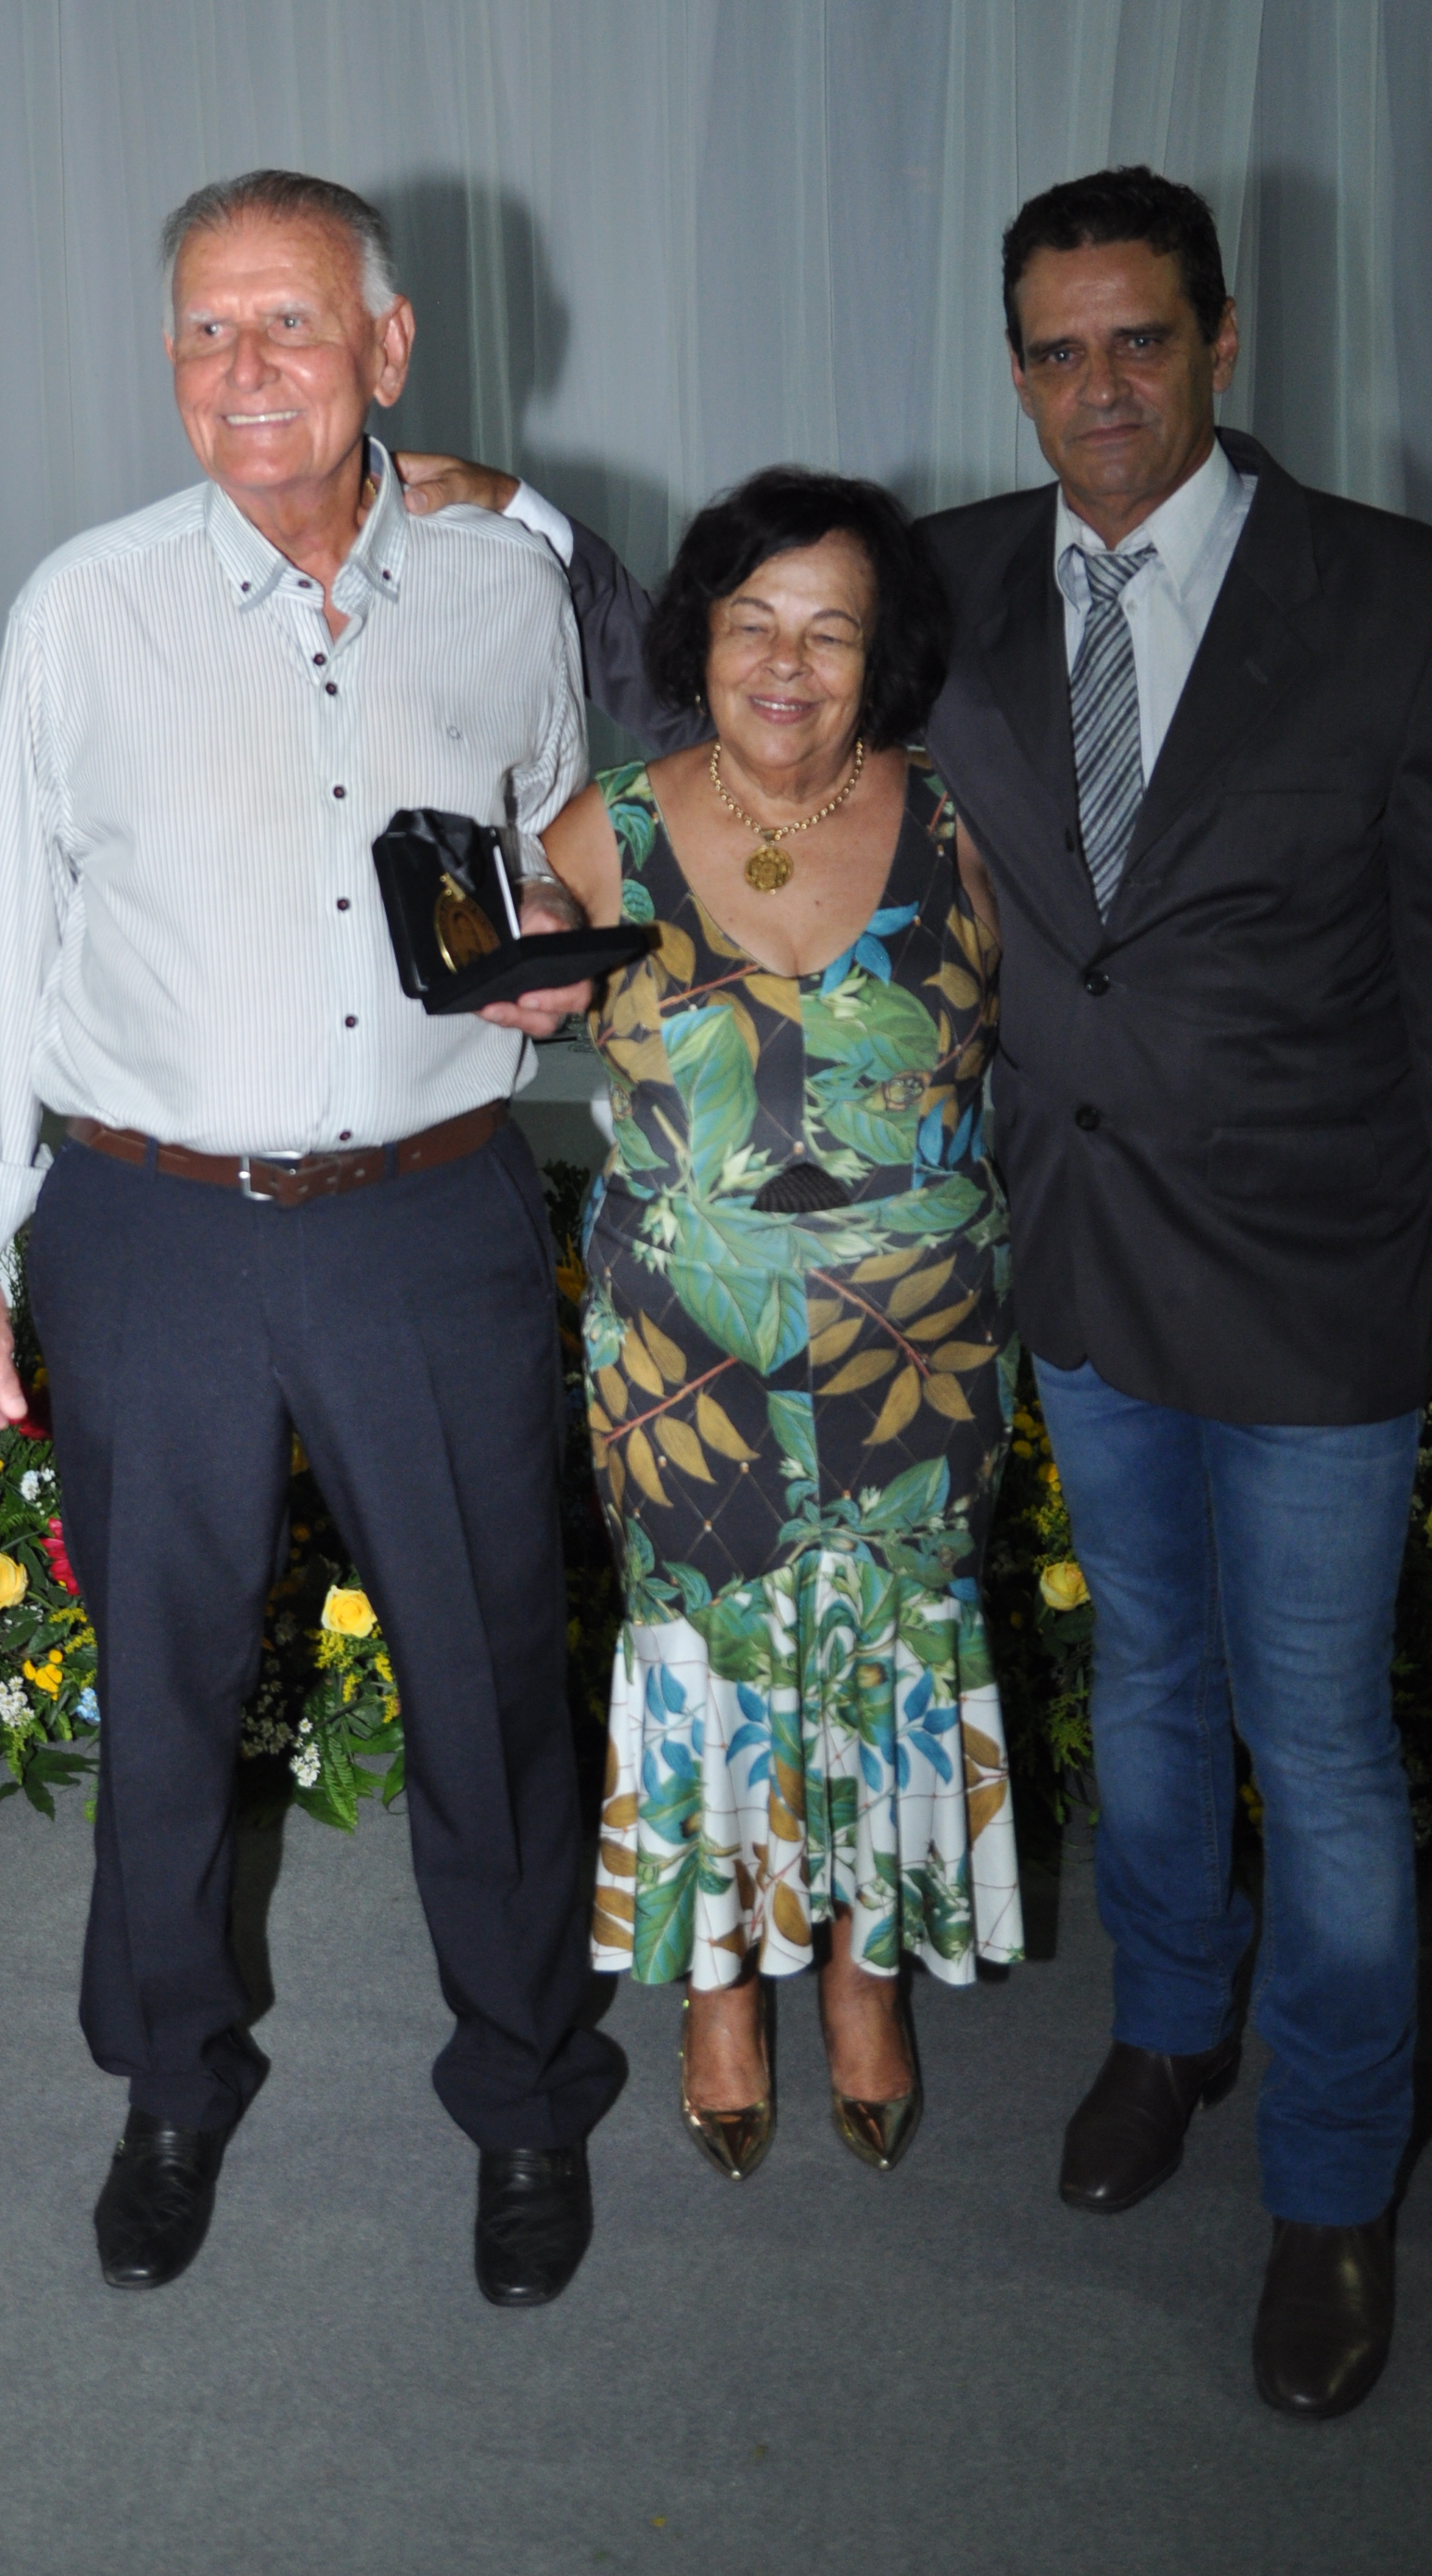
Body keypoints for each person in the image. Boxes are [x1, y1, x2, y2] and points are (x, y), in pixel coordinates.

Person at [397, 164, 1432, 2414]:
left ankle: (1333, 2189)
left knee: (1323, 1748)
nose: (1100, 386)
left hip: (1309, 1260)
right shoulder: (954, 577)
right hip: (1068, 1273)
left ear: (1222, 340)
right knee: (1149, 1688)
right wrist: (510, 517)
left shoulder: (1399, 598)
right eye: (1057, 350)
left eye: (1140, 339)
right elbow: (727, 651)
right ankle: (1165, 2041)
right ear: (1018, 371)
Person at [0, 168, 620, 2307]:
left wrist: (551, 953)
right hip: (154, 1229)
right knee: (166, 1693)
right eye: (205, 332)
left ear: (388, 350)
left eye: (291, 324)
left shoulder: (507, 591)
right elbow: (4, 937)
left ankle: (525, 2097)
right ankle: (169, 2086)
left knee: (492, 1679)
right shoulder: (84, 610)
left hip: (430, 1220)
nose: (244, 371)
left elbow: (563, 840)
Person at [531, 467, 1023, 2182]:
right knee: (708, 1660)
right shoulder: (603, 831)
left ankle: (867, 1978)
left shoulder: (963, 815)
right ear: (701, 635)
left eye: (831, 630)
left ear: (883, 653)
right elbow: (470, 1001)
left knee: (892, 1650)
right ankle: (721, 1987)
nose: (787, 665)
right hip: (685, 1348)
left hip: (920, 1343)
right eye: (754, 623)